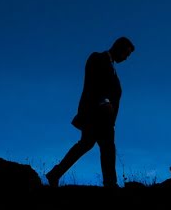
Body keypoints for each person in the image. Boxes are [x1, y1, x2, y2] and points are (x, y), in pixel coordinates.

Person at [45, 36, 135, 189]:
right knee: (105, 147)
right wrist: (104, 101)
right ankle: (110, 183)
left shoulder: (112, 69)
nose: (126, 58)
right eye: (125, 54)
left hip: (105, 119)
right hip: (95, 114)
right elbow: (93, 83)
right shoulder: (97, 58)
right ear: (118, 48)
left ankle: (55, 173)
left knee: (88, 145)